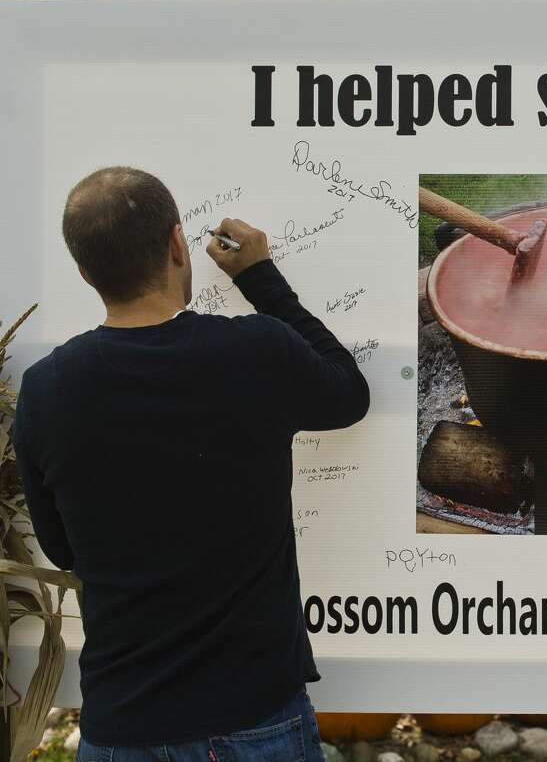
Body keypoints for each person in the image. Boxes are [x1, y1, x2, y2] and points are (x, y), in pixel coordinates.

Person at [12, 167, 370, 759]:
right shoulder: (255, 350)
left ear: (84, 272)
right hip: (253, 717)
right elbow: (348, 393)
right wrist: (260, 277)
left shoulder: (47, 388)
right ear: (179, 244)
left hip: (121, 725)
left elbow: (62, 549)